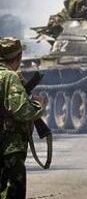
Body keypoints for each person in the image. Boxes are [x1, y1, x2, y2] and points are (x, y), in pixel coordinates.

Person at [0, 37, 44, 198]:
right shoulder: (9, 77)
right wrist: (38, 105)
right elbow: (23, 111)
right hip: (9, 145)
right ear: (18, 58)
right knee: (13, 190)